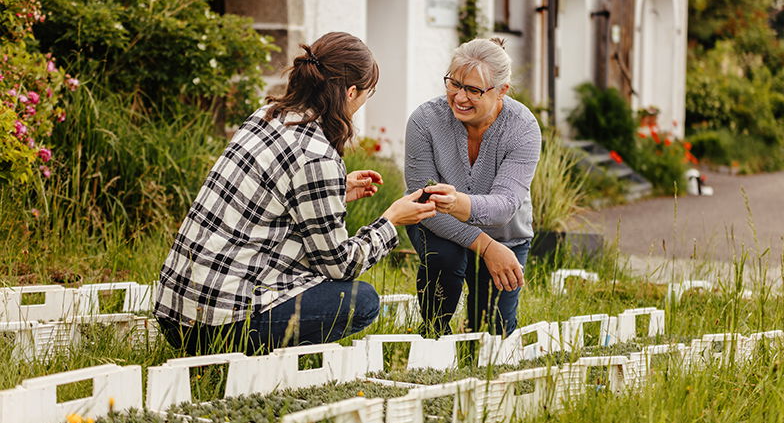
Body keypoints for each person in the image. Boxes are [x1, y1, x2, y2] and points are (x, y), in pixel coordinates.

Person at [155, 31, 444, 355]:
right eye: (367, 93)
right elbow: (339, 265)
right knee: (361, 301)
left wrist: (336, 188)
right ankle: (259, 364)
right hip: (217, 328)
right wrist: (391, 221)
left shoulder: (265, 117)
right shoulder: (318, 155)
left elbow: (271, 196)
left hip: (174, 313)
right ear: (350, 93)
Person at [405, 37, 542, 336]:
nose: (460, 98)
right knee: (446, 260)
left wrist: (458, 205)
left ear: (502, 91)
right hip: (435, 223)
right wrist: (484, 245)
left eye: (474, 90)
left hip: (506, 237)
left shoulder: (523, 128)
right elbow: (422, 202)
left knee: (495, 332)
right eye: (454, 84)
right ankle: (432, 338)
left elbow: (505, 205)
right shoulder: (425, 121)